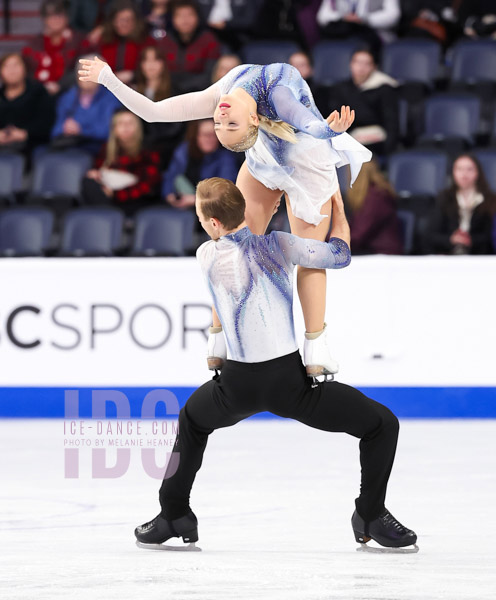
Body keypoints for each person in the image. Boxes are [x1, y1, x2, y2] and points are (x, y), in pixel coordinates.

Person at [133, 177, 418, 553]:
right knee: (382, 424)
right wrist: (339, 212)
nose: (202, 223)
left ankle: (174, 514)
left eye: (202, 216)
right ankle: (369, 514)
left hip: (234, 387)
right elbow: (339, 255)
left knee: (191, 420)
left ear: (214, 223)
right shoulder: (279, 245)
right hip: (290, 388)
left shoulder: (206, 255)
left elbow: (229, 266)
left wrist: (215, 340)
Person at [78, 56, 372, 377]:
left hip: (303, 159)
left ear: (254, 120)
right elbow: (154, 112)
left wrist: (108, 76)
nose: (221, 118)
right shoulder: (252, 96)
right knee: (235, 246)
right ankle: (221, 339)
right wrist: (107, 78)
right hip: (279, 156)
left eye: (225, 125)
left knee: (306, 255)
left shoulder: (248, 95)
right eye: (224, 124)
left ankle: (309, 346)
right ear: (254, 122)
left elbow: (154, 112)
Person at [320, 49, 399, 157]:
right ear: (351, 64)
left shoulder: (384, 89)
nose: (361, 67)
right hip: (348, 140)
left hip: (376, 144)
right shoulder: (340, 89)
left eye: (366, 63)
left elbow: (391, 123)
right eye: (357, 62)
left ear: (374, 67)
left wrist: (387, 150)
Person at [81, 109, 161, 217]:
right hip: (109, 196)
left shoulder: (148, 151)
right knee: (88, 182)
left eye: (130, 123)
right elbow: (100, 170)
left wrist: (116, 194)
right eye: (121, 123)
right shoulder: (107, 149)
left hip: (135, 201)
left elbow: (148, 186)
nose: (126, 127)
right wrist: (97, 175)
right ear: (114, 128)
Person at [50, 55, 122, 155]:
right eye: (82, 71)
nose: (85, 76)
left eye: (90, 72)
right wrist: (64, 128)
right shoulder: (68, 96)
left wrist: (81, 130)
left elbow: (106, 131)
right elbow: (55, 130)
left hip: (96, 150)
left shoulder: (110, 99)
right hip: (67, 146)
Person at [163, 119, 238, 213]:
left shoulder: (225, 158)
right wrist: (170, 195)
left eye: (214, 135)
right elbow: (170, 176)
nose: (210, 139)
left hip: (212, 210)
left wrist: (196, 200)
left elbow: (226, 191)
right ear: (195, 135)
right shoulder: (184, 150)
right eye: (205, 135)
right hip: (181, 206)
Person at [427, 154, 495, 255]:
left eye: (469, 169)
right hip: (448, 256)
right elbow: (431, 234)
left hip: (479, 257)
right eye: (459, 169)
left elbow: (490, 235)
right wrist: (452, 239)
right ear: (453, 173)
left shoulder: (490, 200)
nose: (464, 174)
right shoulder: (444, 198)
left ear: (478, 172)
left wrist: (470, 240)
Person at [22, 0, 87, 96]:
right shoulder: (34, 44)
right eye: (51, 16)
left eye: (60, 15)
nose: (56, 20)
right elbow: (27, 72)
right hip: (39, 93)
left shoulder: (78, 41)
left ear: (67, 18)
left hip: (72, 92)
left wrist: (60, 85)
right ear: (44, 19)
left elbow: (84, 68)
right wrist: (42, 86)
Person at [133, 45, 184, 167]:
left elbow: (176, 127)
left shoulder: (174, 91)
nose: (151, 65)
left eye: (155, 60)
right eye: (146, 60)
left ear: (163, 64)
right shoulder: (134, 91)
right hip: (139, 148)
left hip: (167, 149)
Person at [157, 0, 221, 93]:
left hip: (200, 92)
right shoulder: (166, 41)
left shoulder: (208, 40)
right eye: (180, 16)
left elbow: (211, 73)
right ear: (173, 19)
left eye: (189, 15)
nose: (185, 20)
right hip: (169, 92)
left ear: (197, 17)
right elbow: (161, 73)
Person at [0, 53, 55, 154]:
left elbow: (47, 123)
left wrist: (25, 134)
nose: (12, 70)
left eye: (16, 65)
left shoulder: (38, 92)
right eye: (6, 66)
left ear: (25, 68)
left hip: (33, 148)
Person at [346, 159, 403, 255]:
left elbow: (358, 236)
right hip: (370, 252)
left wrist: (327, 242)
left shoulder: (376, 198)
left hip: (382, 256)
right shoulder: (370, 195)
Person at [96, 0, 154, 85]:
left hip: (138, 87)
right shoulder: (103, 40)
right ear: (113, 21)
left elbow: (153, 68)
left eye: (128, 20)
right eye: (120, 20)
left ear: (136, 21)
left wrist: (133, 75)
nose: (124, 24)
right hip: (105, 87)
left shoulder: (146, 41)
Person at [316, 0, 401, 54]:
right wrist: (343, 17)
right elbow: (322, 17)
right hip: (344, 32)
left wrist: (364, 19)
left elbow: (393, 16)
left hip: (374, 34)